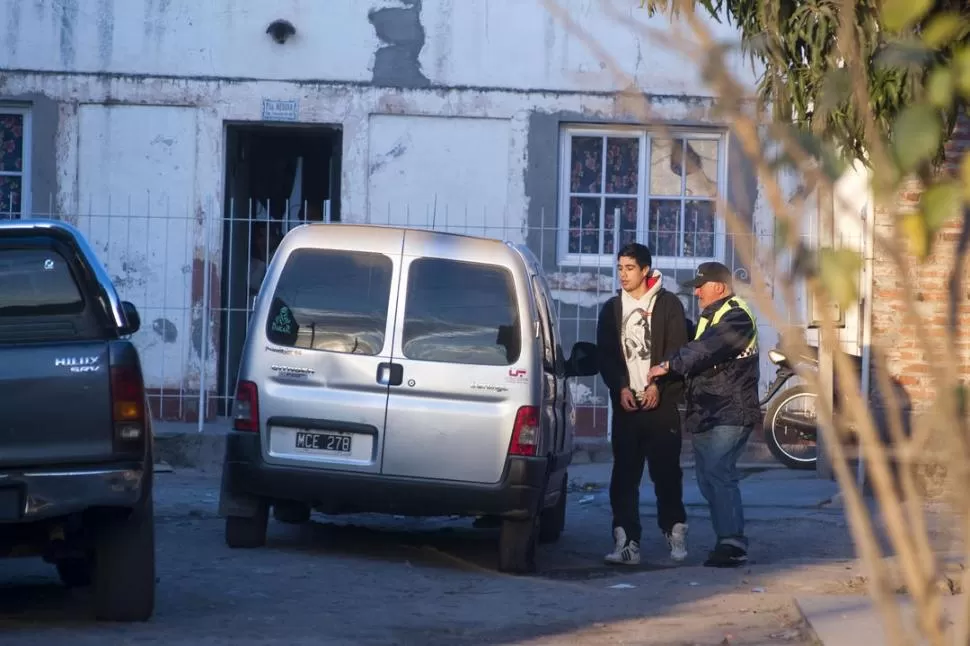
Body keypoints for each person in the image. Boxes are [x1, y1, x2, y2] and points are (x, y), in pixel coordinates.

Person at [647, 261, 760, 568]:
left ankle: (732, 543)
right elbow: (696, 342)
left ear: (719, 287)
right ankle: (726, 538)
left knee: (719, 472)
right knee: (708, 477)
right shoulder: (711, 316)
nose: (695, 292)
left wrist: (668, 365)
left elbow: (707, 348)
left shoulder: (737, 317)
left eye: (700, 286)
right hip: (709, 409)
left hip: (730, 410)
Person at [596, 242, 690, 566]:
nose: (623, 275)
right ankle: (627, 542)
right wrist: (620, 386)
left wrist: (657, 384)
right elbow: (606, 354)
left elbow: (678, 349)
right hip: (627, 405)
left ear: (645, 270)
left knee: (665, 473)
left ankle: (674, 530)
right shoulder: (611, 309)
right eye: (620, 268)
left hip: (660, 405)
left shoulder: (669, 305)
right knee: (624, 475)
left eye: (630, 268)